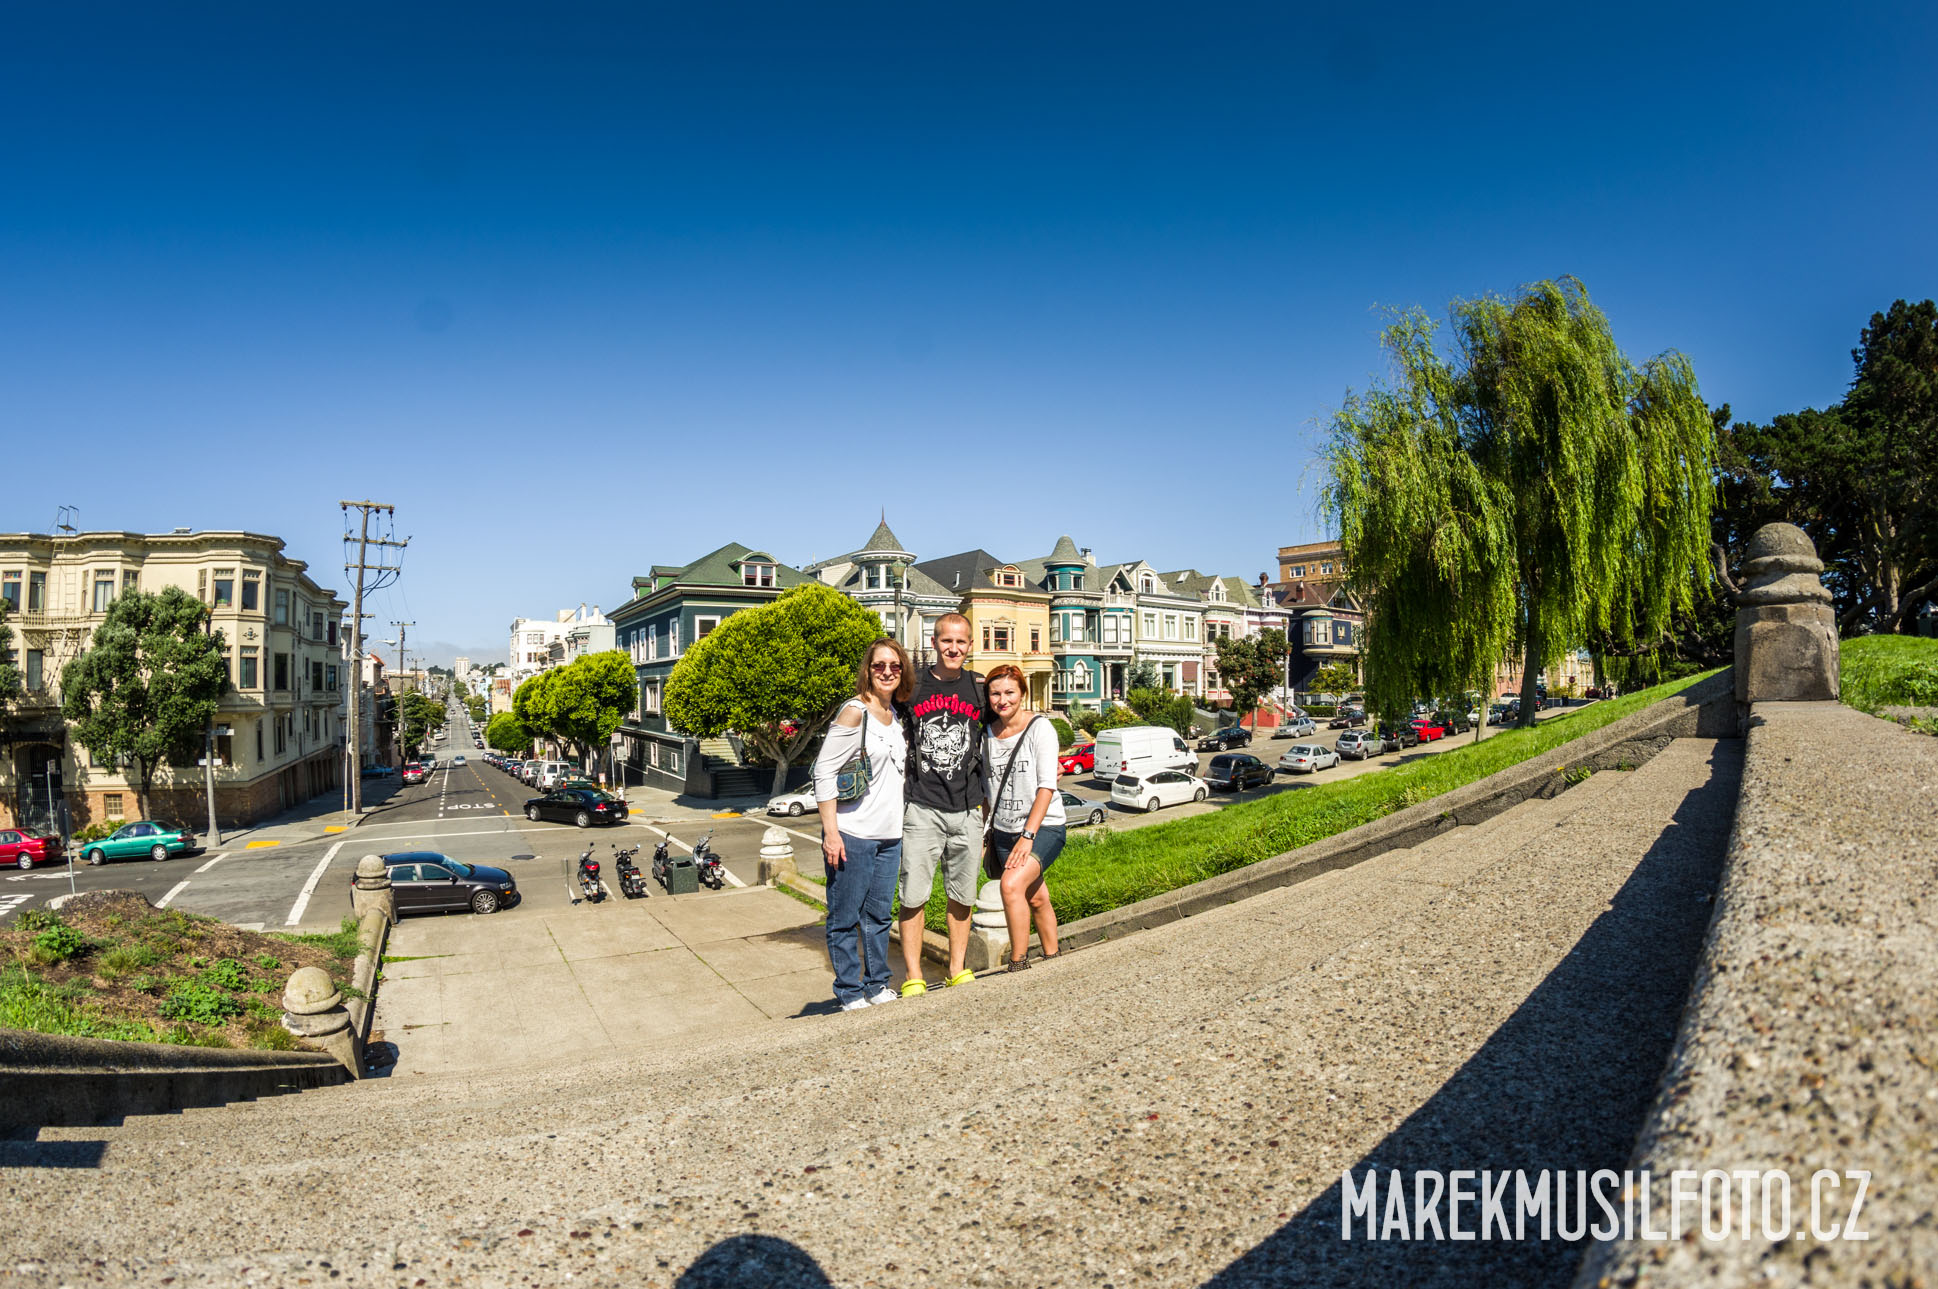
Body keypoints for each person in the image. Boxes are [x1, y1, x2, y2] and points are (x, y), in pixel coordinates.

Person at [813, 637, 912, 1011]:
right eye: (879, 665)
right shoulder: (856, 712)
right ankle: (850, 992)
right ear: (868, 671)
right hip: (852, 833)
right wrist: (831, 833)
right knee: (844, 918)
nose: (887, 672)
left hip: (889, 835)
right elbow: (824, 771)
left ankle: (876, 984)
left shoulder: (895, 715)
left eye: (894, 666)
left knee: (879, 917)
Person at [896, 612, 985, 995]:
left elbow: (1008, 723)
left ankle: (956, 968)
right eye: (946, 641)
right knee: (914, 895)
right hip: (922, 807)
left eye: (961, 641)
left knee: (962, 896)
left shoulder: (979, 689)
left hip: (967, 809)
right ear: (934, 643)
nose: (953, 648)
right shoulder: (912, 688)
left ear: (970, 645)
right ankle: (913, 976)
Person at [982, 663, 1063, 971]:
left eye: (1010, 692)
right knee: (1037, 897)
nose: (1003, 700)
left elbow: (1046, 786)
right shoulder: (986, 734)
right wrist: (984, 835)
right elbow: (987, 791)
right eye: (995, 694)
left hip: (1043, 827)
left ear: (1023, 693)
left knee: (1011, 886)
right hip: (1003, 830)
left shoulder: (1040, 728)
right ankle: (1053, 957)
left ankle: (1018, 963)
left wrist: (1028, 836)